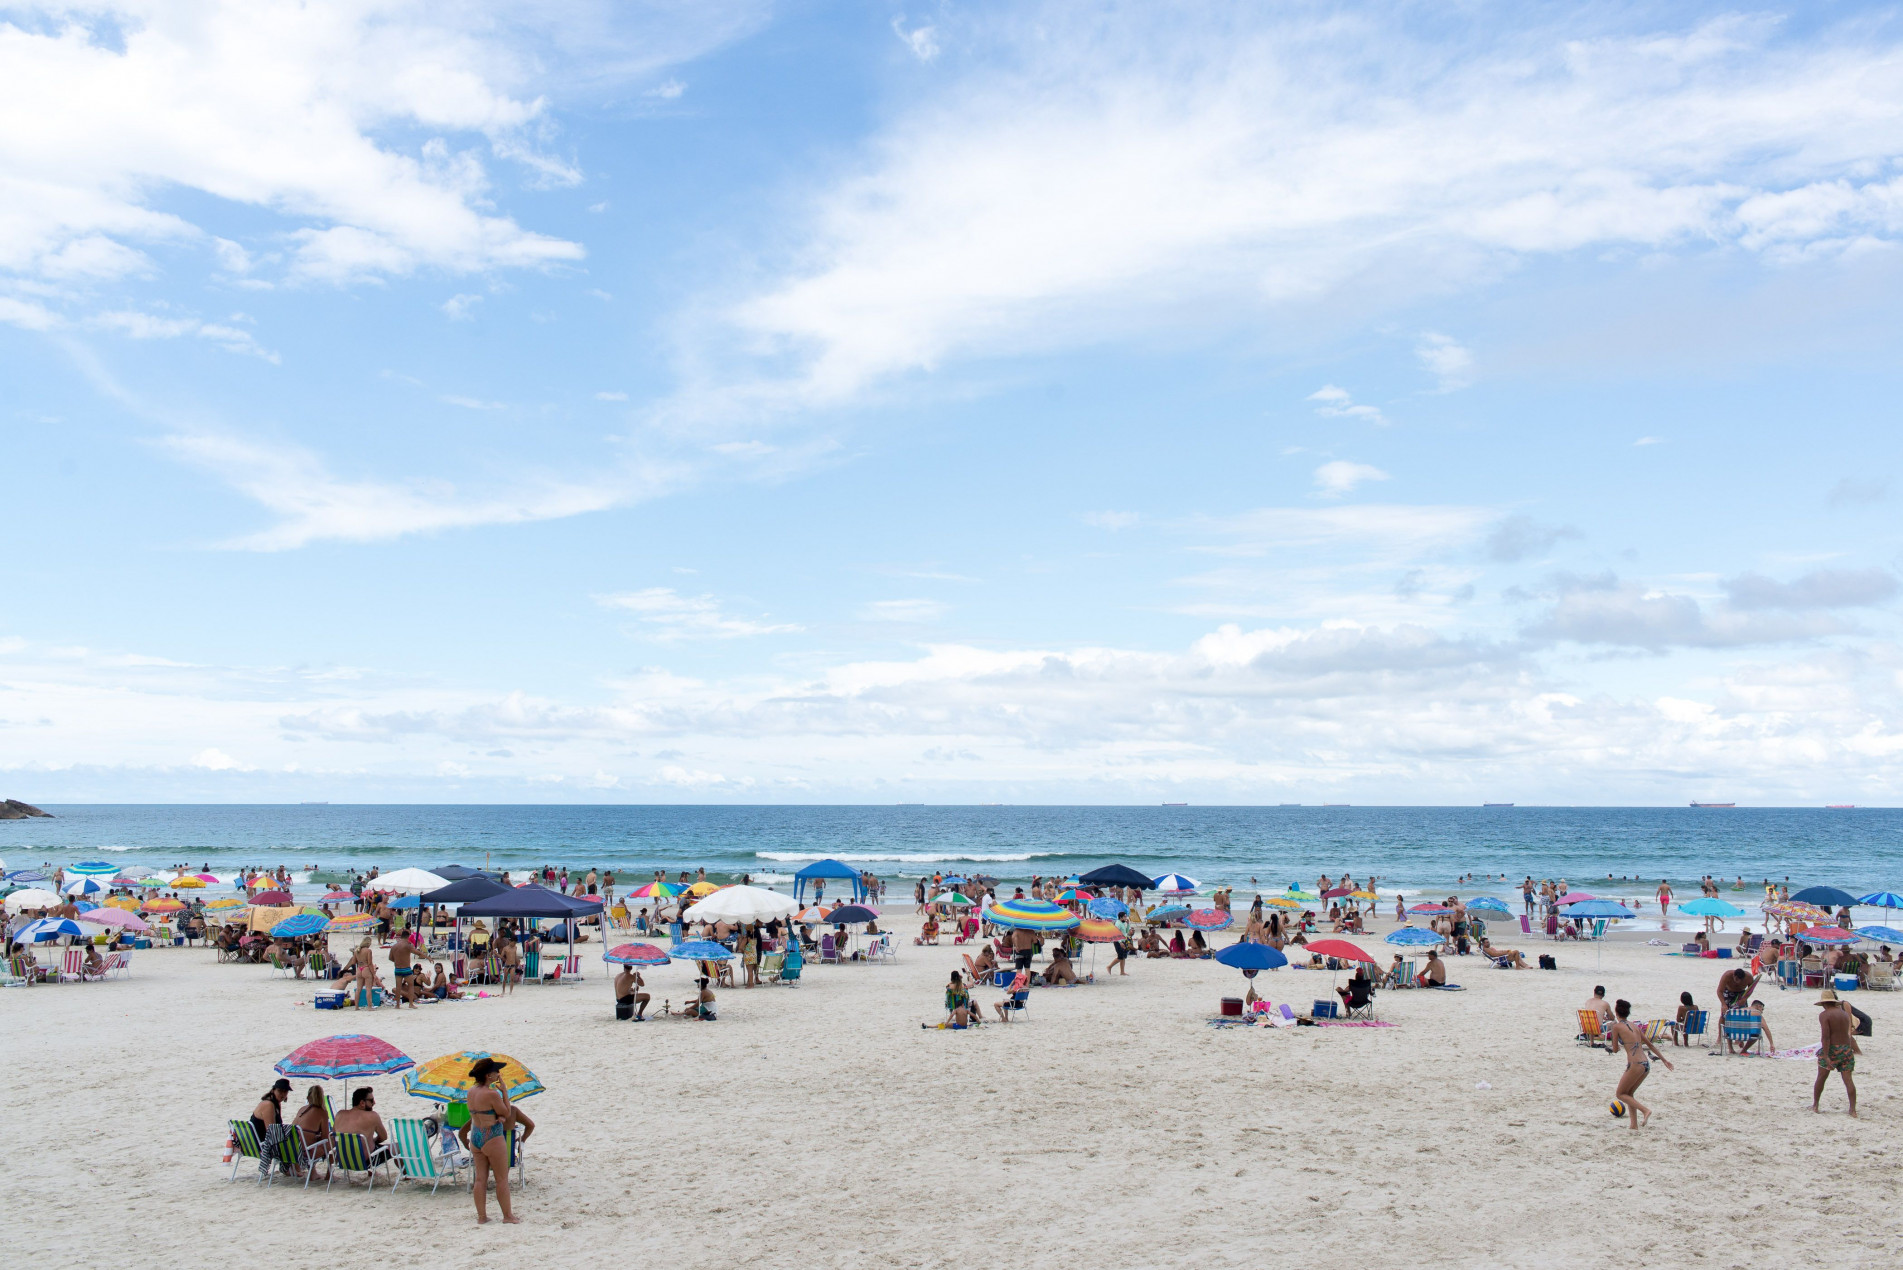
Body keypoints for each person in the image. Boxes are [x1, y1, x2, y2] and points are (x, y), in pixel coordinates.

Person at [463, 1057, 525, 1224]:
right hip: (492, 1136)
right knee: (501, 1178)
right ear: (489, 1075)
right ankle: (507, 1216)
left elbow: (485, 1112)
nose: (499, 1073)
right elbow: (506, 1112)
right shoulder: (491, 1093)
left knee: (480, 1178)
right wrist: (504, 1092)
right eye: (496, 1071)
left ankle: (482, 1217)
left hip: (476, 1135)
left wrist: (498, 1116)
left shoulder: (471, 1091)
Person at [1608, 998, 1672, 1130]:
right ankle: (1633, 1125)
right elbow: (1650, 1045)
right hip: (1645, 1065)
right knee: (1629, 1094)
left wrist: (1617, 1047)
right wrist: (1664, 1060)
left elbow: (1614, 1049)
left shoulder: (1616, 1027)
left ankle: (1645, 1110)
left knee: (1620, 1094)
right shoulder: (1635, 1026)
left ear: (1616, 1012)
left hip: (1635, 1064)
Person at [1813, 990, 1860, 1116]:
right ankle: (1852, 1109)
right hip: (1846, 1048)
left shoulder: (1824, 1015)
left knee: (1821, 1078)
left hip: (1832, 1049)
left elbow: (1826, 1036)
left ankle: (1815, 1105)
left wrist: (1826, 1054)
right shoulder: (1844, 1014)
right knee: (1848, 1080)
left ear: (1824, 1003)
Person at [291, 1085, 331, 1165]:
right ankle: (328, 1175)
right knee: (332, 1140)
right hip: (305, 1153)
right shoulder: (322, 1113)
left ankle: (310, 1171)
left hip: (292, 1149)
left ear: (308, 1097)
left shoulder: (302, 1109)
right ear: (321, 1098)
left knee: (312, 1141)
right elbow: (325, 1138)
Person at [388, 931, 417, 1008]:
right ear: (408, 936)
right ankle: (411, 1004)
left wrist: (398, 961)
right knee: (411, 985)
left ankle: (397, 1005)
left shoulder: (394, 946)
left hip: (397, 968)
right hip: (406, 968)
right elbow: (417, 953)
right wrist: (427, 957)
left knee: (398, 987)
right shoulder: (408, 945)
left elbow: (390, 958)